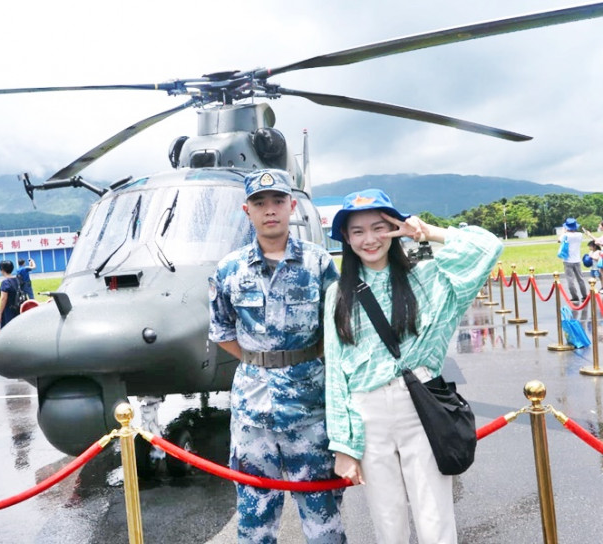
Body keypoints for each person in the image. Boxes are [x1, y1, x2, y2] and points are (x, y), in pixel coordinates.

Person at [323, 189, 502, 544]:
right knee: (387, 520)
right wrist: (343, 445)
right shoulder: (337, 294)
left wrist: (425, 231)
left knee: (435, 514)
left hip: (420, 404)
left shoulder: (429, 279)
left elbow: (488, 247)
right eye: (357, 231)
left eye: (380, 227)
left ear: (394, 228)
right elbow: (335, 371)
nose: (370, 239)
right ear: (345, 237)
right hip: (366, 412)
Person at [209, 169, 346, 543]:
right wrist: (261, 360)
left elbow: (337, 329)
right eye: (260, 203)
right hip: (253, 408)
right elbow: (221, 331)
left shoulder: (319, 264)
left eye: (277, 201)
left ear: (292, 206)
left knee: (323, 512)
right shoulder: (229, 270)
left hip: (310, 406)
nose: (270, 210)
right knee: (255, 513)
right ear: (247, 210)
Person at [559, 217, 588, 303]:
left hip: (567, 260)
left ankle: (575, 296)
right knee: (580, 278)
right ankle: (584, 295)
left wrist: (563, 232)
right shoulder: (579, 235)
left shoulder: (565, 235)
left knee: (570, 279)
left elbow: (559, 240)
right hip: (577, 260)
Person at [0, 260, 20, 328]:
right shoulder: (17, 280)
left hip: (8, 311)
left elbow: (3, 299)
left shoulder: (5, 282)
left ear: (2, 270)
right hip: (18, 309)